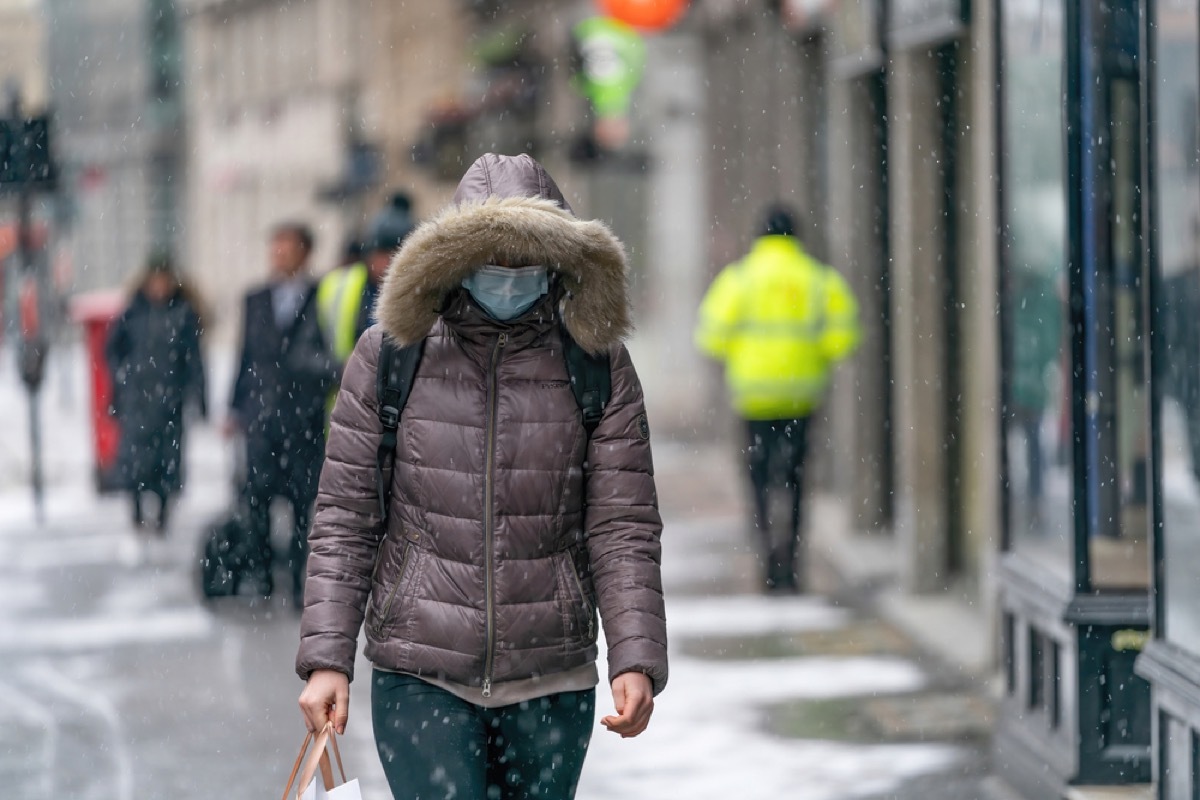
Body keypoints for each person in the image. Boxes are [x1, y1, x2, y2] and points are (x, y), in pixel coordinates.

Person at [296, 153, 667, 800]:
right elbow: (345, 517)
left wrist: (634, 656)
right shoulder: (391, 357)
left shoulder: (595, 366)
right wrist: (328, 658)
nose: (509, 276)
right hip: (420, 675)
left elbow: (623, 524)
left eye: (528, 261)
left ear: (558, 262)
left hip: (551, 678)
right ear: (455, 259)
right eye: (493, 258)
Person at [695, 204, 860, 593]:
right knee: (797, 477)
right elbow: (844, 338)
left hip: (754, 397)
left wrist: (745, 352)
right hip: (801, 397)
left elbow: (710, 336)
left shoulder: (740, 279)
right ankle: (794, 559)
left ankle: (768, 554)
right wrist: (811, 353)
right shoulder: (819, 279)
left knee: (759, 476)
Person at [226, 222, 339, 606]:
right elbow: (244, 358)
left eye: (286, 247)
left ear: (305, 253)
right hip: (260, 419)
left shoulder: (321, 296)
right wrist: (233, 407)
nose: (278, 254)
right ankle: (263, 579)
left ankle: (296, 579)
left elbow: (329, 351)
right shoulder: (254, 299)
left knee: (302, 503)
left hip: (303, 418)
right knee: (256, 499)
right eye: (274, 247)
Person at [105, 252, 207, 533]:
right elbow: (113, 351)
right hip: (136, 400)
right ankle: (136, 512)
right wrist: (124, 381)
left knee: (167, 463)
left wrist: (198, 397)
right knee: (136, 461)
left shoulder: (183, 314)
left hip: (169, 402)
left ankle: (162, 515)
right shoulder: (133, 312)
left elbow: (194, 360)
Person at [317, 192, 416, 369]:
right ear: (368, 254)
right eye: (382, 254)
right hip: (346, 392)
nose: (388, 263)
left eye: (396, 255)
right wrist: (340, 367)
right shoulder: (337, 285)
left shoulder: (426, 292)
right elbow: (307, 352)